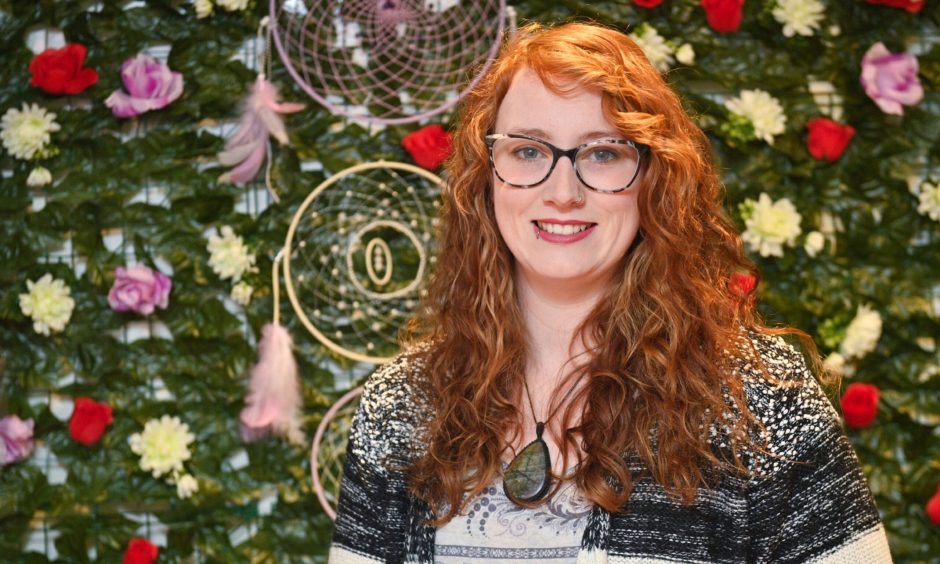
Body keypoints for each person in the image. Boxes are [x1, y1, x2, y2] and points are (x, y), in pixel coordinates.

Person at [329, 22, 892, 563]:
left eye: (603, 153)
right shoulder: (402, 404)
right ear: (485, 176)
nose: (563, 192)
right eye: (528, 151)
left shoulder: (760, 402)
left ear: (654, 178)